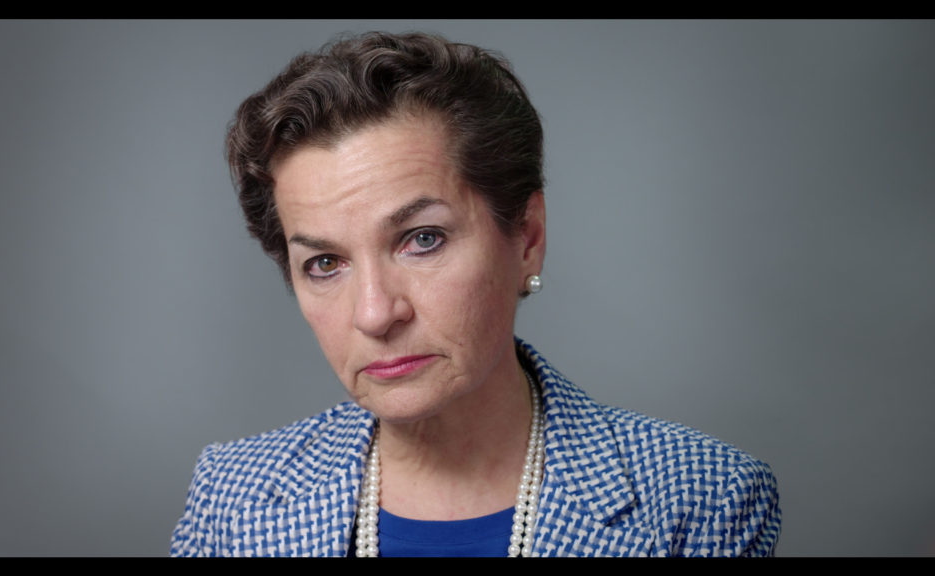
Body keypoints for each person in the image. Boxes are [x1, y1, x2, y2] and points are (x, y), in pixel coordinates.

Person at [169, 31, 781, 557]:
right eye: (325, 263)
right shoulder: (233, 498)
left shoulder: (700, 500)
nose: (376, 313)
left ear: (527, 238)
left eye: (423, 239)